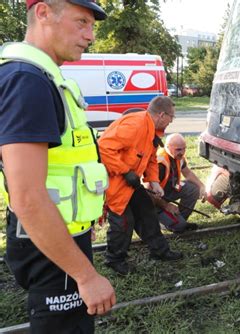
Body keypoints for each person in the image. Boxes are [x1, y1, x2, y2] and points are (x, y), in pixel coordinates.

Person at [0, 0, 116, 332]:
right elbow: (28, 198)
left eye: (92, 26)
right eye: (81, 22)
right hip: (51, 243)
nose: (90, 36)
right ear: (43, 13)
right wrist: (86, 276)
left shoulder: (44, 76)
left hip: (57, 234)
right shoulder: (27, 80)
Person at [98, 96, 183, 275]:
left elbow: (151, 158)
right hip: (117, 182)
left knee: (146, 211)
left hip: (132, 181)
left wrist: (154, 182)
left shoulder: (151, 129)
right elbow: (104, 147)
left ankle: (160, 250)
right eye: (171, 117)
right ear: (161, 115)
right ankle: (114, 259)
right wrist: (125, 171)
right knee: (123, 221)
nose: (171, 121)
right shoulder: (135, 125)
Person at [151, 133, 206, 233]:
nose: (182, 152)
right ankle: (167, 223)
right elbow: (149, 193)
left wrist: (201, 186)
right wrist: (166, 206)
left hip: (167, 191)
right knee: (180, 227)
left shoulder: (178, 157)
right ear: (167, 147)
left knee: (193, 189)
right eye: (178, 149)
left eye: (184, 149)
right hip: (153, 200)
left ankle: (179, 220)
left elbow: (188, 173)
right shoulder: (159, 164)